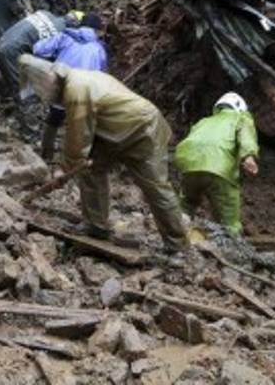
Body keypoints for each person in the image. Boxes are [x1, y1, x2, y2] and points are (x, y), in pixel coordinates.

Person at [20, 55, 189, 249]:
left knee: (155, 186)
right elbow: (81, 136)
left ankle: (178, 244)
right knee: (91, 168)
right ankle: (96, 225)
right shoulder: (79, 79)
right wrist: (70, 164)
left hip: (142, 129)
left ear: (49, 81)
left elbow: (78, 135)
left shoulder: (76, 89)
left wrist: (64, 168)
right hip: (116, 130)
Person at [174, 92, 259, 236]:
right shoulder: (241, 118)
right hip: (219, 167)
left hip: (189, 167)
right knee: (229, 221)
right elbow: (246, 137)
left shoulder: (204, 121)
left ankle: (177, 237)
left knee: (186, 205)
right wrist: (248, 156)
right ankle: (233, 250)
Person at [32, 14, 108, 160]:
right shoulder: (99, 50)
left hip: (60, 83)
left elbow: (38, 49)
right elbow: (102, 76)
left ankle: (45, 156)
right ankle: (68, 163)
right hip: (82, 89)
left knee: (54, 118)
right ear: (97, 31)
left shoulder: (65, 37)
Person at [0, 9, 79, 114]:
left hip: (2, 43)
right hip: (12, 53)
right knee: (27, 94)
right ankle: (29, 126)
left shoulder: (45, 13)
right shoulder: (59, 35)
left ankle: (6, 106)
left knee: (14, 81)